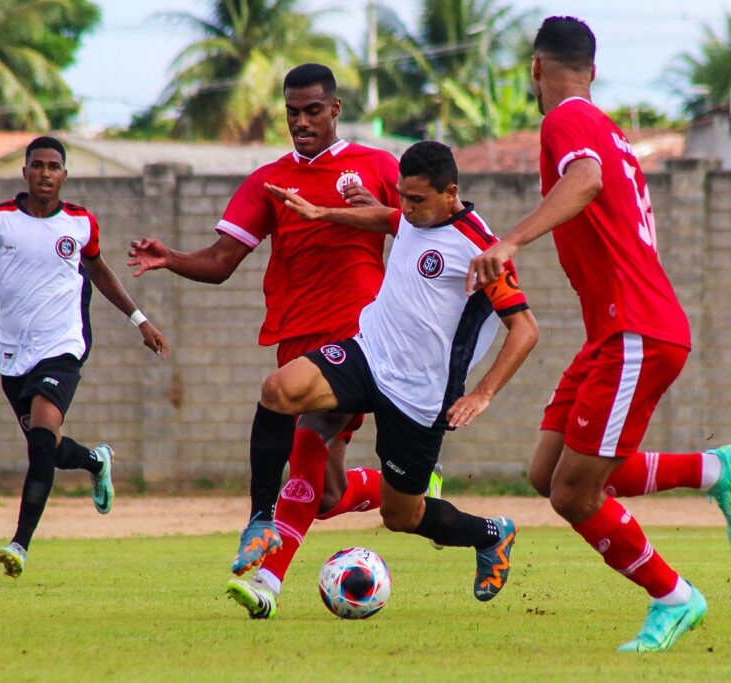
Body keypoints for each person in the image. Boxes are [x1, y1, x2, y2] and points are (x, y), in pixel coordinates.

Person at [466, 16, 731, 653]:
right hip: (617, 334)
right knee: (549, 474)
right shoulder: (611, 130)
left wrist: (509, 239)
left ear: (535, 68)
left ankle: (673, 596)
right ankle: (714, 469)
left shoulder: (566, 119)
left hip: (637, 331)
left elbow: (586, 180)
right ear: (592, 70)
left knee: (575, 493)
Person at [127, 64, 410, 613]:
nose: (300, 122)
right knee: (324, 495)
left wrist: (379, 216)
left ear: (335, 108)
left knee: (302, 439)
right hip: (295, 341)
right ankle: (403, 487)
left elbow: (425, 224)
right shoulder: (268, 181)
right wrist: (171, 258)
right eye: (291, 113)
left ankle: (266, 574)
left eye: (311, 111)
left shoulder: (377, 167)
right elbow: (220, 262)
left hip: (357, 339)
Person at [223, 140, 538, 618]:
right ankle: (261, 519)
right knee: (279, 391)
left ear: (450, 192)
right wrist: (319, 212)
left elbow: (525, 328)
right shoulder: (411, 216)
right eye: (401, 196)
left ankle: (491, 534)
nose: (405, 209)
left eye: (416, 200)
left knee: (402, 516)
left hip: (420, 395)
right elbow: (386, 219)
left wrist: (483, 393)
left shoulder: (480, 247)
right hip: (367, 353)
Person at [0, 136, 169, 578]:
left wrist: (140, 320)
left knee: (42, 444)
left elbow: (101, 271)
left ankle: (20, 545)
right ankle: (94, 460)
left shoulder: (81, 223)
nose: (45, 173)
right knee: (44, 447)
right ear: (25, 172)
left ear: (64, 175)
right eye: (38, 165)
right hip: (13, 354)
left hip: (62, 348)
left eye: (54, 166)